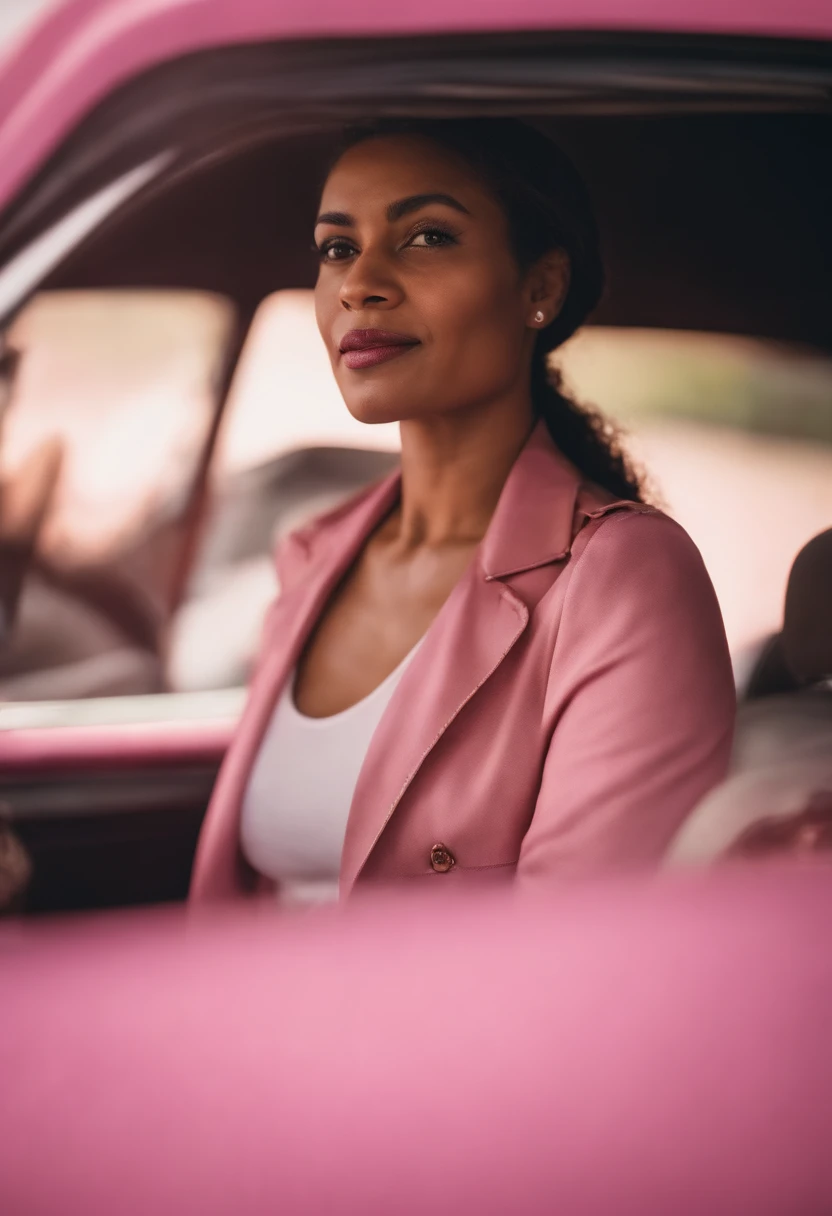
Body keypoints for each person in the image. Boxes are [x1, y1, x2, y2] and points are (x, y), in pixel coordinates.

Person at [191, 119, 735, 907]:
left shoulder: (624, 576)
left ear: (540, 288)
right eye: (338, 248)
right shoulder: (313, 554)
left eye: (427, 237)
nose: (359, 283)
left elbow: (581, 965)